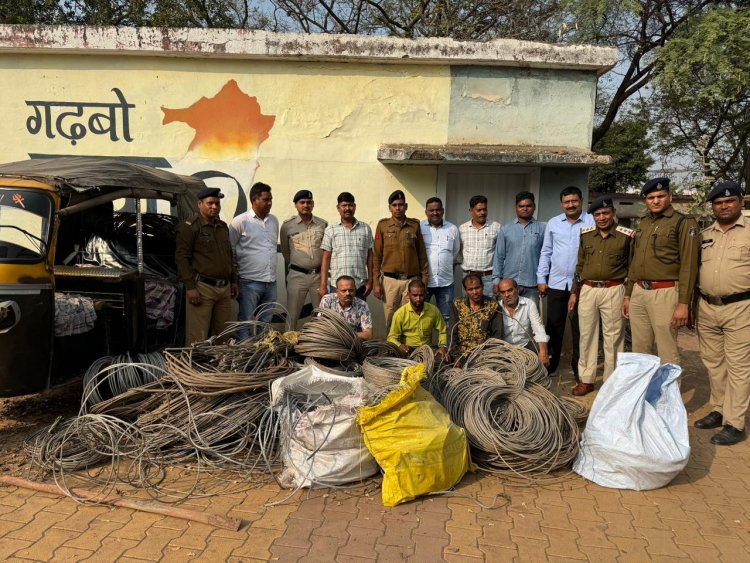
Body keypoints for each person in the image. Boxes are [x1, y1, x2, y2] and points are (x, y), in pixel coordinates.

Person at [693, 181, 750, 446]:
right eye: (718, 203)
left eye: (729, 201)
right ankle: (719, 409)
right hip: (707, 306)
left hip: (741, 307)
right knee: (714, 363)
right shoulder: (706, 234)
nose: (724, 206)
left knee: (739, 367)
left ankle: (735, 422)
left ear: (740, 202)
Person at [622, 177, 699, 365]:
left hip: (665, 292)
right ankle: (644, 393)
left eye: (660, 196)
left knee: (667, 351)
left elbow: (689, 265)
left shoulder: (683, 222)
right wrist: (628, 294)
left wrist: (683, 303)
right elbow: (635, 261)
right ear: (645, 201)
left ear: (669, 197)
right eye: (650, 198)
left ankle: (668, 395)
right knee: (640, 351)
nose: (655, 201)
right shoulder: (644, 223)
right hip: (640, 292)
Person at [567, 196, 634, 396]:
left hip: (614, 289)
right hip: (587, 289)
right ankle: (586, 379)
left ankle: (610, 381)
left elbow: (632, 268)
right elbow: (579, 266)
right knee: (586, 335)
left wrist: (628, 296)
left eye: (605, 213)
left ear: (613, 213)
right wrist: (574, 292)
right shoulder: (586, 235)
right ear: (593, 217)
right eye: (597, 214)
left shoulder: (626, 236)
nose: (602, 217)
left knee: (613, 337)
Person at [536, 186, 594, 379]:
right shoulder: (553, 223)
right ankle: (551, 366)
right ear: (562, 204)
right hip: (556, 284)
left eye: (574, 201)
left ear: (581, 201)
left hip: (583, 285)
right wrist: (541, 279)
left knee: (582, 328)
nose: (571, 205)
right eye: (567, 202)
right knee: (553, 327)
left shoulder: (591, 221)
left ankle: (580, 370)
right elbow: (546, 252)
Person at [175, 187, 238, 345]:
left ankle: (220, 366)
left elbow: (229, 256)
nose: (214, 207)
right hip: (202, 288)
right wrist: (190, 287)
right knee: (199, 336)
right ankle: (195, 367)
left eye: (217, 203)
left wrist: (234, 280)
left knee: (224, 334)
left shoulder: (222, 227)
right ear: (199, 204)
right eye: (210, 203)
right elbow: (182, 258)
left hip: (224, 288)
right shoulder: (190, 227)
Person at [372, 190, 429, 329]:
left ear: (406, 206)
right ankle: (391, 349)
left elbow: (422, 255)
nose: (398, 208)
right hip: (391, 282)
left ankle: (408, 350)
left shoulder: (414, 225)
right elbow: (377, 256)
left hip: (411, 280)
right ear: (389, 207)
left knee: (409, 319)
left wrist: (424, 281)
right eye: (394, 205)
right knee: (391, 318)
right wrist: (376, 282)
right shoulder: (383, 226)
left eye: (401, 205)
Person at [229, 182, 279, 335]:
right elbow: (230, 251)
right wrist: (233, 279)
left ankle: (262, 354)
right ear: (254, 200)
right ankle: (244, 355)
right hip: (249, 282)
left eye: (271, 199)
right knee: (246, 320)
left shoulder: (274, 221)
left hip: (270, 282)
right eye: (266, 199)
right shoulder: (240, 221)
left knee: (265, 322)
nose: (269, 203)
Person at [280, 190, 328, 330]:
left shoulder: (322, 225)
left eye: (309, 202)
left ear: (313, 204)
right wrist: (299, 265)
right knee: (292, 314)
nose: (306, 205)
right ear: (296, 205)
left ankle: (320, 346)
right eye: (302, 202)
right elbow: (285, 251)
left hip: (318, 277)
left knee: (322, 315)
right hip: (297, 276)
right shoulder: (287, 226)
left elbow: (326, 250)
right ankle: (288, 347)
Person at [493, 191, 546, 307]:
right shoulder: (506, 230)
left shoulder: (543, 229)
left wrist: (544, 280)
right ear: (516, 207)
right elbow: (499, 256)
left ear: (534, 207)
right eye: (521, 206)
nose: (525, 209)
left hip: (532, 284)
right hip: (508, 285)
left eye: (528, 206)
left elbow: (546, 257)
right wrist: (496, 280)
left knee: (530, 320)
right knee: (507, 318)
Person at [319, 192, 373, 300]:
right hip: (337, 286)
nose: (347, 208)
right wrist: (323, 285)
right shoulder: (331, 230)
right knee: (337, 317)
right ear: (338, 208)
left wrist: (370, 281)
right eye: (344, 206)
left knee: (358, 316)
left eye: (350, 205)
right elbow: (326, 259)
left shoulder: (365, 229)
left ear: (355, 207)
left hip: (359, 286)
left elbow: (370, 257)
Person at [387, 279, 450, 361]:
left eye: (421, 295)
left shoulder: (433, 310)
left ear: (425, 294)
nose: (418, 299)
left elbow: (443, 330)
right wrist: (399, 345)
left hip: (427, 349)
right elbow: (391, 337)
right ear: (409, 294)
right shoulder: (400, 313)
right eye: (415, 295)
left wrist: (442, 346)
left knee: (446, 358)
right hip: (408, 350)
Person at [420, 197, 460, 320]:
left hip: (446, 282)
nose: (435, 213)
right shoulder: (419, 227)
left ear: (442, 211)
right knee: (421, 317)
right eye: (431, 210)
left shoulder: (452, 229)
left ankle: (442, 340)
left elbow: (455, 251)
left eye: (437, 210)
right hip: (424, 282)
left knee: (445, 319)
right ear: (426, 212)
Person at [448, 273, 503, 361]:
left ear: (483, 286)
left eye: (477, 288)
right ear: (466, 290)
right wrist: (455, 357)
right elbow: (452, 334)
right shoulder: (458, 304)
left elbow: (497, 336)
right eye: (470, 289)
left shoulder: (493, 306)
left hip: (484, 356)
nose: (475, 292)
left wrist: (490, 357)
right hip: (461, 355)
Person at [496, 278, 550, 367]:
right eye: (503, 292)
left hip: (525, 348)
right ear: (500, 294)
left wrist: (544, 352)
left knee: (539, 363)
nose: (507, 295)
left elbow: (538, 327)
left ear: (517, 290)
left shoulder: (529, 304)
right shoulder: (496, 308)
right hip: (504, 351)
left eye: (510, 290)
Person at [459, 195, 502, 296]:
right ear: (471, 210)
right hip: (468, 277)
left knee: (489, 309)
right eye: (479, 210)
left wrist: (497, 279)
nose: (482, 213)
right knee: (468, 308)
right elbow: (459, 251)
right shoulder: (462, 228)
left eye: (485, 209)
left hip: (488, 278)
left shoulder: (496, 227)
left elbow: (501, 254)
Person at [320, 275, 373, 341]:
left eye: (351, 290)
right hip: (331, 341)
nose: (347, 293)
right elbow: (321, 327)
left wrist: (344, 335)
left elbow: (368, 335)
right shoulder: (327, 300)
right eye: (344, 290)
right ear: (337, 291)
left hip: (353, 342)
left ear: (355, 290)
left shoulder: (362, 305)